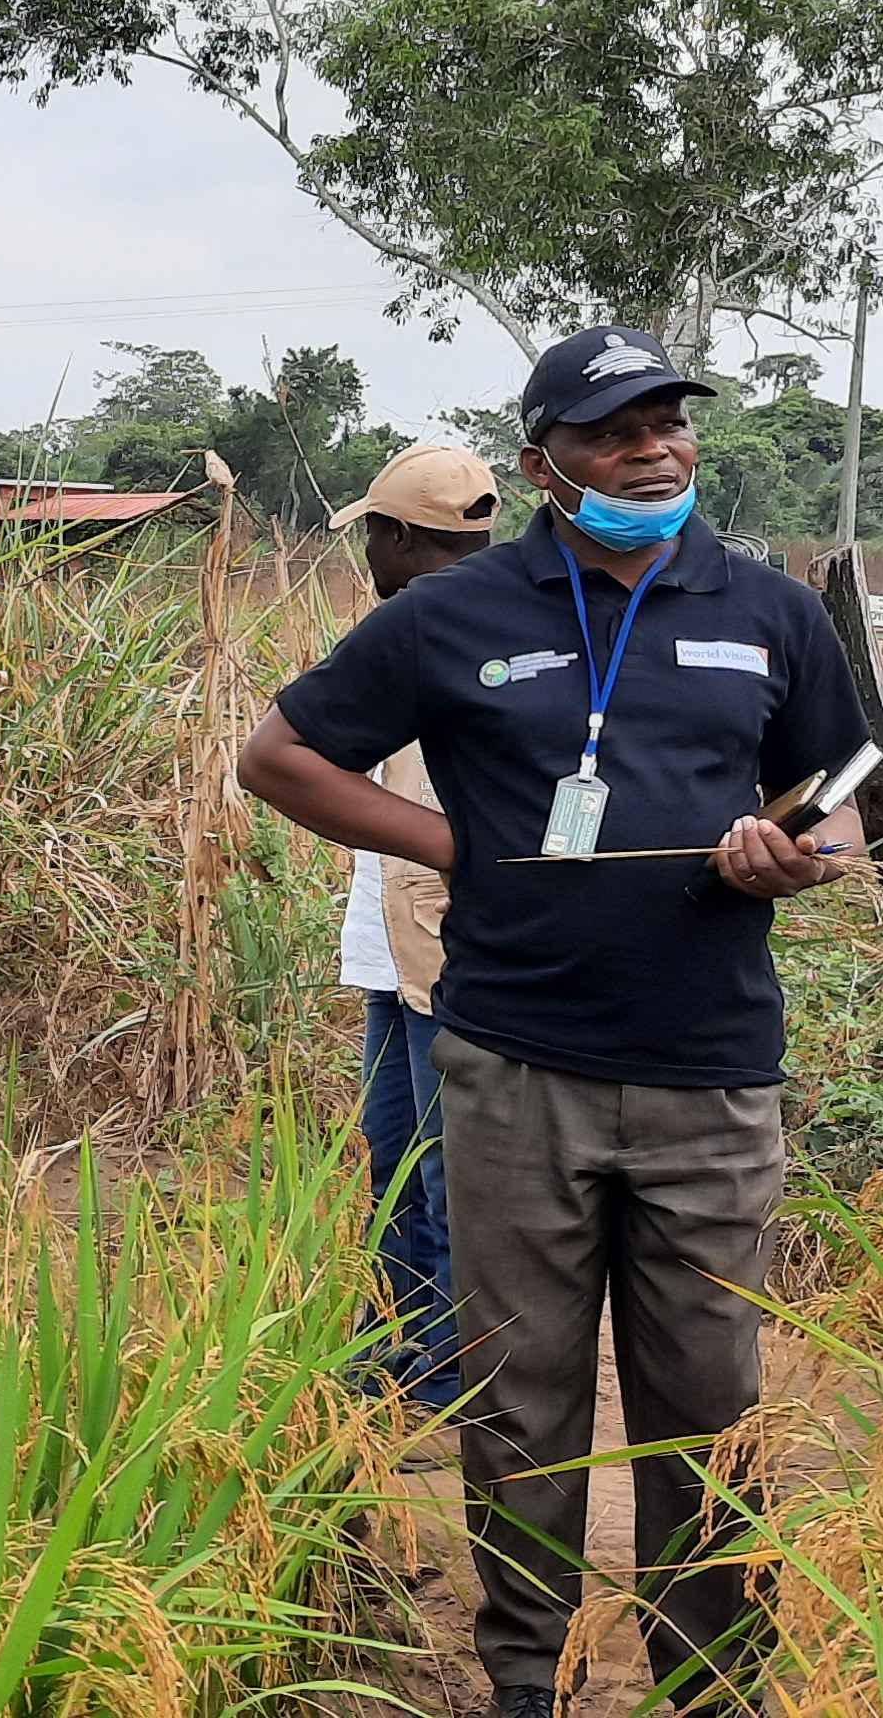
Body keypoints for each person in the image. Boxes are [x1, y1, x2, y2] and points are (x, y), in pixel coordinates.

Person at [235, 327, 868, 1718]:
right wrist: (451, 841)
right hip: (514, 1066)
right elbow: (277, 756)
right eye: (614, 430)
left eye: (668, 423)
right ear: (544, 463)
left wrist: (797, 852)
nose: (653, 448)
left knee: (707, 1400)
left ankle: (710, 1683)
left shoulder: (768, 611)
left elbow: (838, 794)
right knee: (522, 1405)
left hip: (711, 1078)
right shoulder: (454, 614)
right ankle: (532, 1680)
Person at [326, 444, 500, 1411]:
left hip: (444, 948)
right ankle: (398, 1345)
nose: (370, 556)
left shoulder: (471, 633)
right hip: (391, 943)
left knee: (444, 1170)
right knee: (395, 1156)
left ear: (398, 536)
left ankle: (443, 1370)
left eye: (374, 536)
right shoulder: (412, 632)